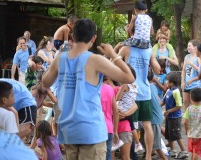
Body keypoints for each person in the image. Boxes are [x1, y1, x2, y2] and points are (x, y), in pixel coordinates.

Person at [42, 18, 135, 160]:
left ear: (72, 36)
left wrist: (58, 57)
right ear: (93, 38)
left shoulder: (61, 58)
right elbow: (129, 78)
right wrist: (113, 55)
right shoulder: (95, 60)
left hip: (68, 131)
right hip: (91, 130)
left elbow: (45, 82)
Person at [118, 41, 160, 160]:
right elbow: (157, 70)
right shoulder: (149, 50)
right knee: (147, 125)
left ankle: (131, 154)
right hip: (145, 92)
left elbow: (113, 64)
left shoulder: (126, 49)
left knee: (131, 126)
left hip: (130, 92)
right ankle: (148, 156)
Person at [162, 72, 188, 159]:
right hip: (169, 116)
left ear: (172, 82)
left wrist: (169, 111)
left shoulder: (176, 91)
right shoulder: (168, 91)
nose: (166, 83)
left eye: (167, 81)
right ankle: (173, 150)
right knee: (168, 134)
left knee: (176, 134)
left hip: (175, 117)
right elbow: (164, 101)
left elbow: (179, 105)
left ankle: (184, 151)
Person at [183, 88, 201, 160]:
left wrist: (186, 130)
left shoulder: (188, 109)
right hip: (200, 135)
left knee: (192, 151)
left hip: (190, 134)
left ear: (190, 98)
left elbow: (185, 122)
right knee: (197, 152)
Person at [148, 70, 167, 160]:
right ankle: (151, 152)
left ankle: (164, 158)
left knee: (157, 144)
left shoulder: (147, 88)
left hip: (154, 118)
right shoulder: (153, 86)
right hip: (156, 116)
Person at [101, 80, 119, 160]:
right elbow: (116, 112)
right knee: (108, 155)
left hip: (96, 129)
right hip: (109, 128)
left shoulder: (91, 89)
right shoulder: (109, 89)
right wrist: (115, 131)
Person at [181, 40, 201, 110]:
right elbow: (183, 70)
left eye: (189, 46)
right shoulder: (187, 56)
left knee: (194, 102)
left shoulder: (198, 58)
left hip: (195, 84)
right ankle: (188, 117)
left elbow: (200, 71)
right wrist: (182, 82)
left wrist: (191, 64)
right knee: (185, 101)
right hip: (186, 84)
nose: (188, 47)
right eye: (187, 46)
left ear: (195, 47)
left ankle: (194, 117)